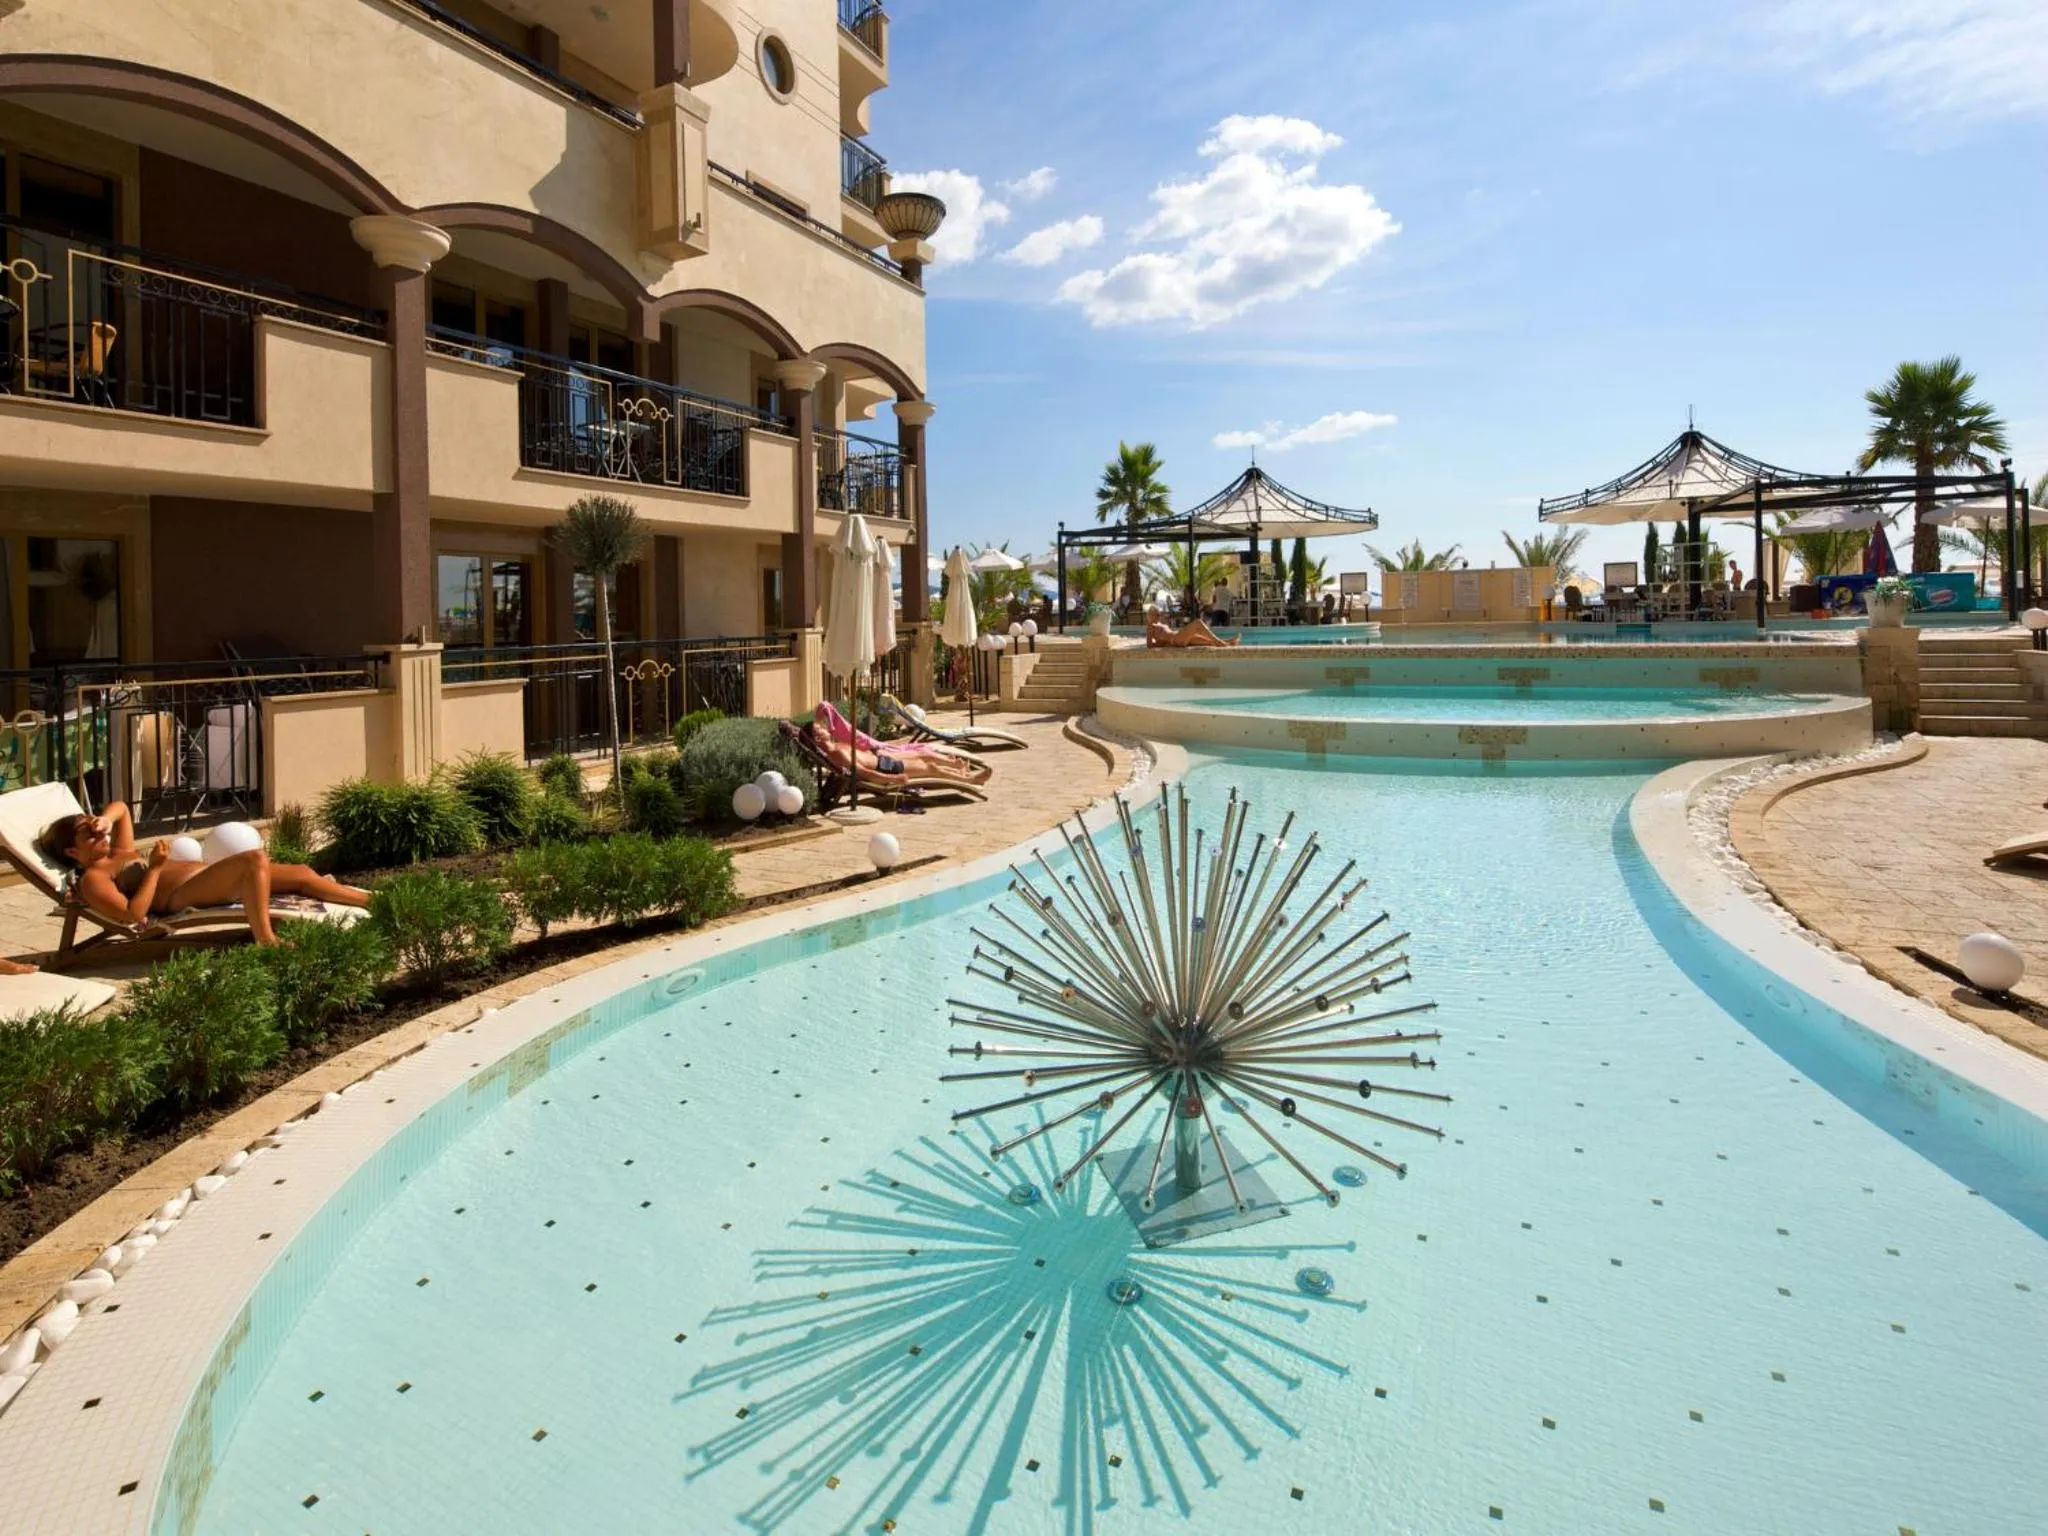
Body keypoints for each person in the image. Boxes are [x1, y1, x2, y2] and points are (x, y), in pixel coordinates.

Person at [37, 801, 370, 945]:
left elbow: (122, 807)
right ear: (71, 851)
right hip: (181, 896)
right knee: (253, 859)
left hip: (204, 874)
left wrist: (105, 818)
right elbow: (131, 915)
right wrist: (153, 870)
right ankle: (266, 940)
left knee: (299, 871)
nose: (99, 833)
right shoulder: (94, 878)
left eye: (97, 828)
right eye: (89, 834)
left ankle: (369, 901)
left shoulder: (118, 852)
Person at [804, 724, 990, 787]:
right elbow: (864, 773)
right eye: (819, 728)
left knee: (924, 757)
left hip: (884, 761)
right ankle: (971, 780)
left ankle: (960, 769)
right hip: (886, 769)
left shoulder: (837, 745)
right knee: (930, 768)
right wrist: (893, 779)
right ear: (817, 737)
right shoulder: (836, 752)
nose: (824, 727)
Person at [1145, 607, 1239, 648]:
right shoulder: (1150, 627)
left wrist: (1166, 643)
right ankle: (1221, 642)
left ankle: (1228, 642)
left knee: (1208, 641)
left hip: (1178, 637)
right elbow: (1149, 645)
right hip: (1176, 638)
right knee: (1198, 623)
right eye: (1155, 614)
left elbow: (1162, 639)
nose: (1158, 615)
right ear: (1150, 615)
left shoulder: (1160, 624)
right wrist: (1163, 644)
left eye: (1158, 614)